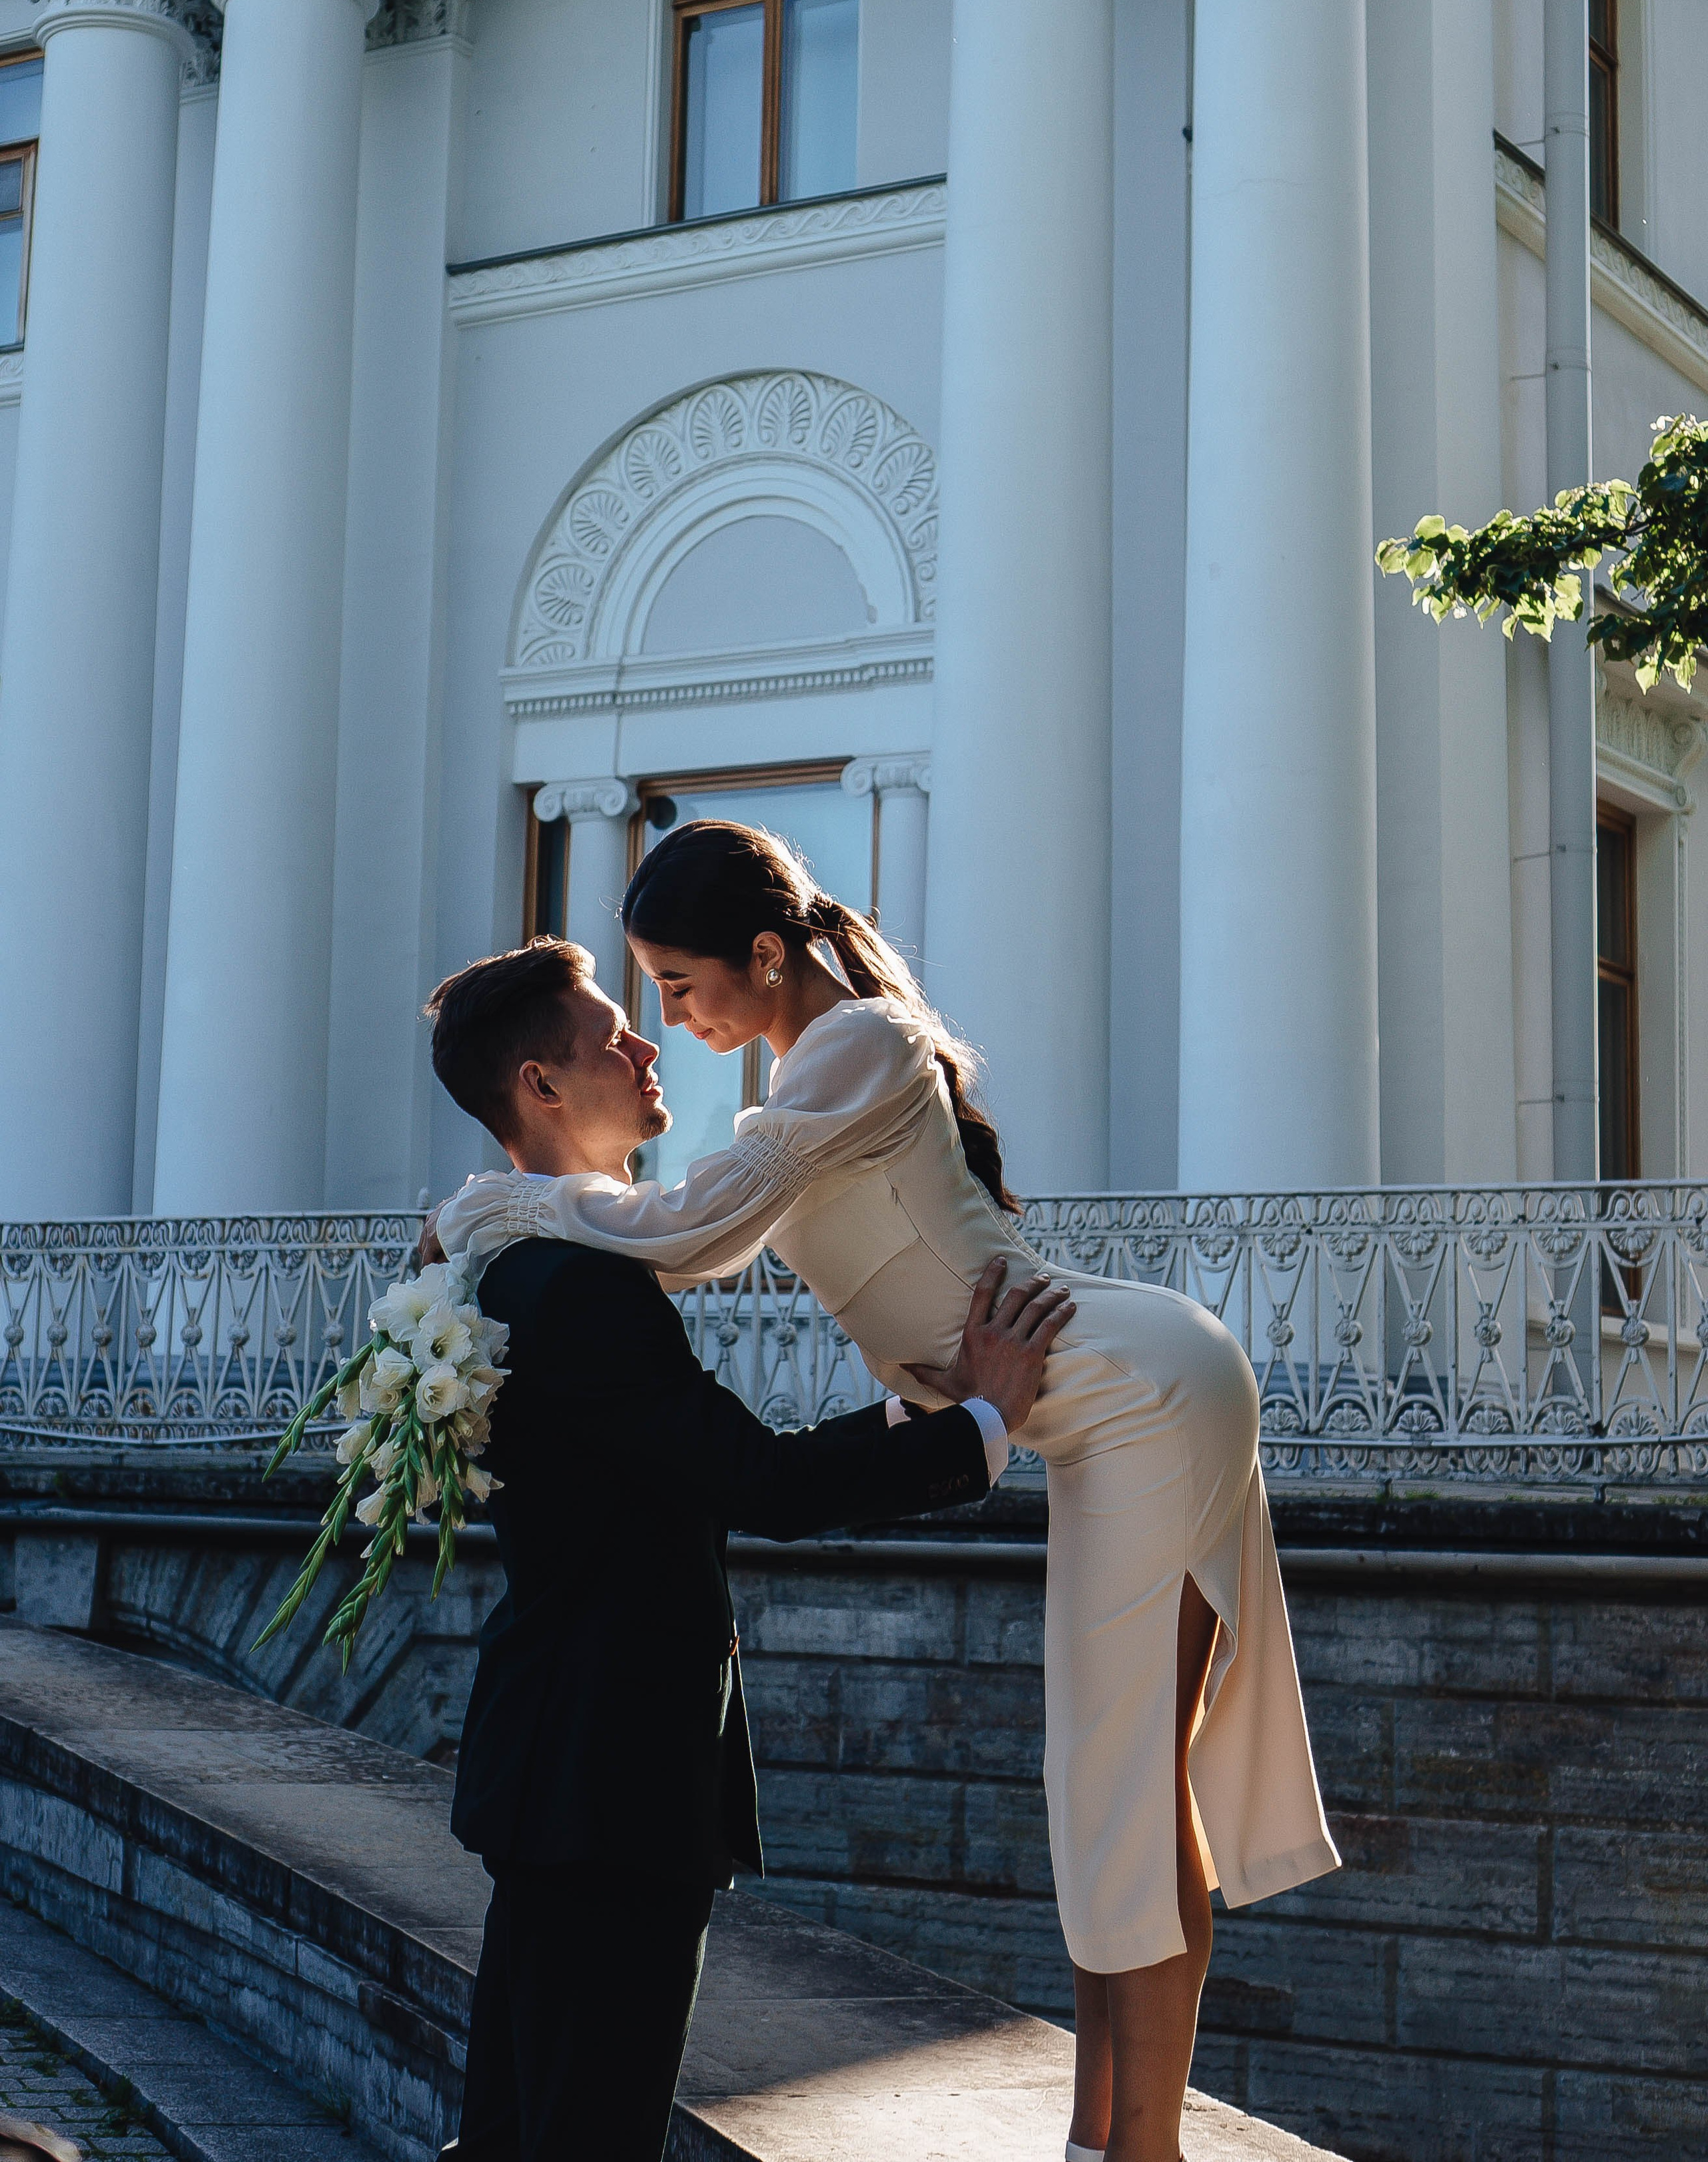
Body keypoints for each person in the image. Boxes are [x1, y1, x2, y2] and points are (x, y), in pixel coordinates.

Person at [434, 822, 1341, 2162]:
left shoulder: (853, 1041)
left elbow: (682, 1234)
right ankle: (1102, 2139)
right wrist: (516, 1211)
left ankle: (1132, 2150)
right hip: (1084, 1412)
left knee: (1127, 1793)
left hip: (1137, 1393)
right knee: (1093, 1788)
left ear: (761, 952)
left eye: (677, 986)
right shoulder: (809, 1072)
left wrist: (500, 1210)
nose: (667, 1024)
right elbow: (703, 1251)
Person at [425, 936, 1074, 2162]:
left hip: (560, 1767)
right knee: (584, 2136)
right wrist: (984, 1425)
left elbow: (681, 1464)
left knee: (519, 2130)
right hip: (611, 1783)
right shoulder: (579, 1287)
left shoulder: (506, 1268)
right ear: (542, 1088)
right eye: (614, 1033)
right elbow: (756, 1479)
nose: (646, 1043)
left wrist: (925, 1415)